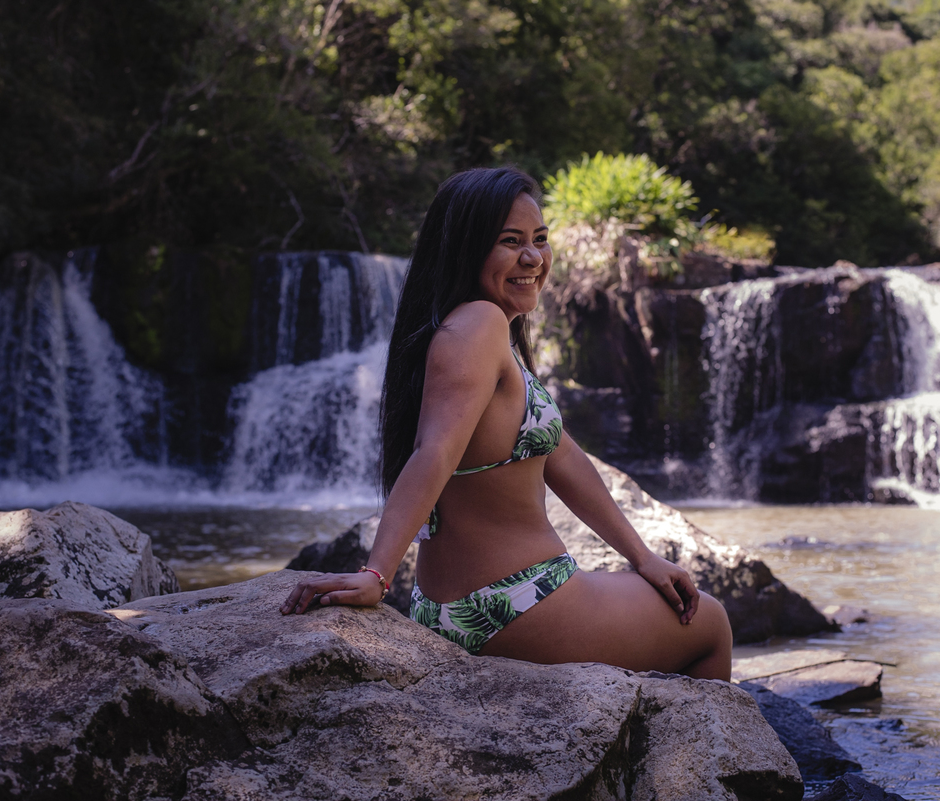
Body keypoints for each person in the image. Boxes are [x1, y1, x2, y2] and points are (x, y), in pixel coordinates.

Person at [280, 167, 732, 681]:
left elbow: (562, 454)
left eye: (540, 239)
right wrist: (376, 575)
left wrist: (642, 557)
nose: (533, 258)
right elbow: (434, 452)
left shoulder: (469, 329)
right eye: (510, 241)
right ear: (465, 250)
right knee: (711, 623)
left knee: (668, 597)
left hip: (457, 606)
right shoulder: (479, 323)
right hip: (516, 602)